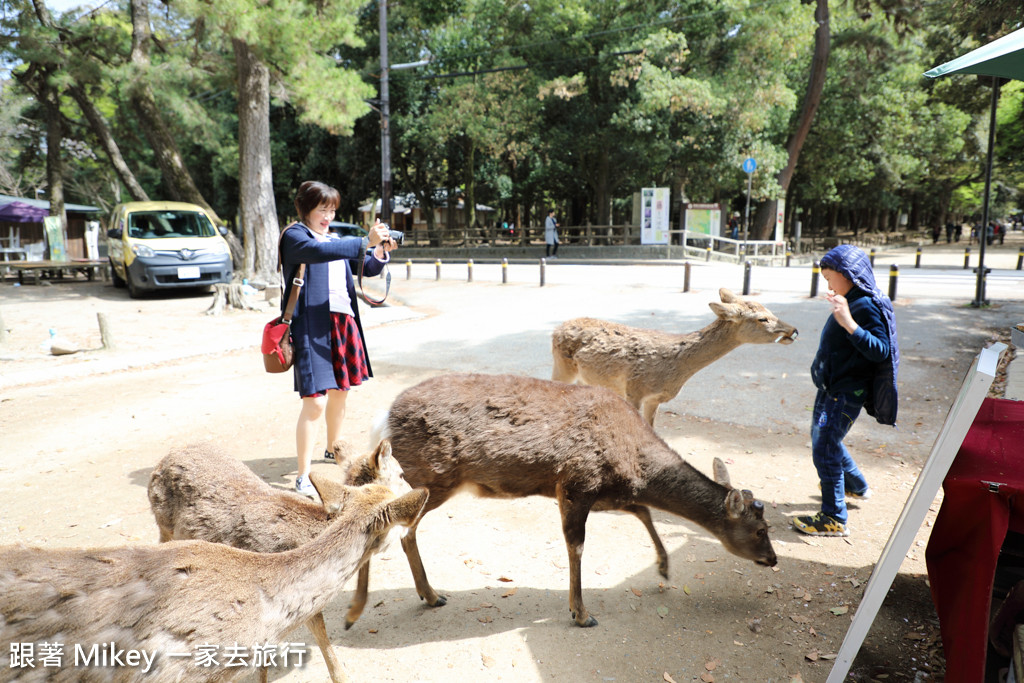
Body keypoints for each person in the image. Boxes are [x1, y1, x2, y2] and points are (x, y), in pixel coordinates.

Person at [279, 180, 397, 497]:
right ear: (305, 208)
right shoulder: (295, 236)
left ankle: (333, 449)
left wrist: (380, 251)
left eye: (332, 210)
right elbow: (319, 252)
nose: (328, 216)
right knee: (315, 402)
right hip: (310, 325)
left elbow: (367, 266)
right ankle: (303, 476)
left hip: (342, 322)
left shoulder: (334, 240)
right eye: (322, 209)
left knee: (340, 392)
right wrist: (363, 241)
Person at [794, 244, 899, 537]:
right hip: (831, 387)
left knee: (824, 447)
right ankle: (855, 486)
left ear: (848, 274)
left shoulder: (864, 305)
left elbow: (881, 351)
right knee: (825, 439)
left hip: (845, 392)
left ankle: (833, 518)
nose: (828, 284)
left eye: (830, 278)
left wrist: (849, 323)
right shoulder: (849, 298)